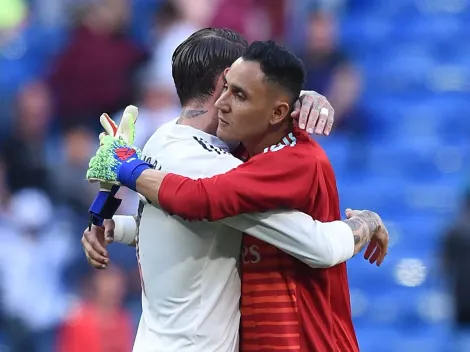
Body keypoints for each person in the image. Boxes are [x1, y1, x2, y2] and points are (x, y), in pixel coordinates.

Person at [84, 32, 388, 351]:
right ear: (222, 84)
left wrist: (115, 226)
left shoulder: (162, 139)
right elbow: (320, 247)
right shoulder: (217, 169)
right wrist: (368, 222)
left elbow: (178, 227)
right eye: (236, 83)